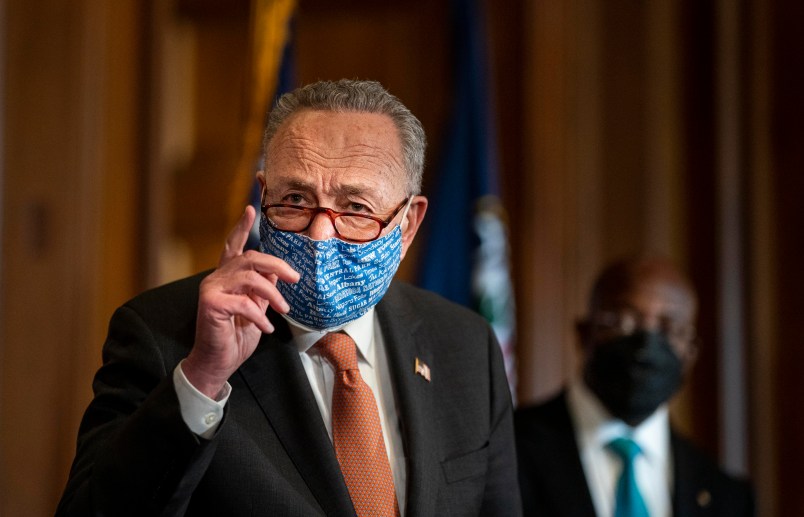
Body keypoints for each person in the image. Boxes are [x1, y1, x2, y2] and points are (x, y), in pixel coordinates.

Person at [56, 79, 520, 517]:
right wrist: (203, 377)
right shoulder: (162, 332)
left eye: (356, 208)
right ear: (263, 196)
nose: (320, 235)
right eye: (296, 199)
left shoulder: (465, 344)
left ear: (409, 223)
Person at [515, 255, 754, 517]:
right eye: (623, 322)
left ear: (690, 354)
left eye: (668, 328)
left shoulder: (727, 497)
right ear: (584, 334)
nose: (645, 347)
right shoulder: (508, 451)